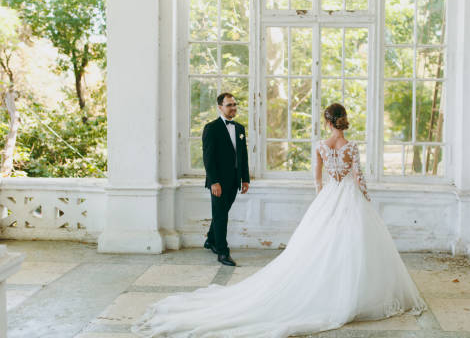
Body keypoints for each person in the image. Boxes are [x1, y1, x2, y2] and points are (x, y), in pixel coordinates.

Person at [132, 103, 427, 338]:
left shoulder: (321, 146)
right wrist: (363, 196)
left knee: (319, 247)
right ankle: (356, 293)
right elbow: (359, 178)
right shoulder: (351, 146)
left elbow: (317, 179)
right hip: (349, 196)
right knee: (356, 245)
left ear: (327, 122)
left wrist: (323, 199)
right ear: (343, 121)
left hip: (329, 197)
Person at [202, 92, 250, 266]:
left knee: (221, 213)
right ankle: (222, 252)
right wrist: (214, 181)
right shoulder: (211, 128)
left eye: (235, 104)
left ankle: (210, 240)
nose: (233, 108)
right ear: (220, 107)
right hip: (218, 182)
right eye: (229, 105)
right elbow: (208, 158)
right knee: (221, 216)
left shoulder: (239, 128)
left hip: (235, 180)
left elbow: (242, 156)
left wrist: (245, 179)